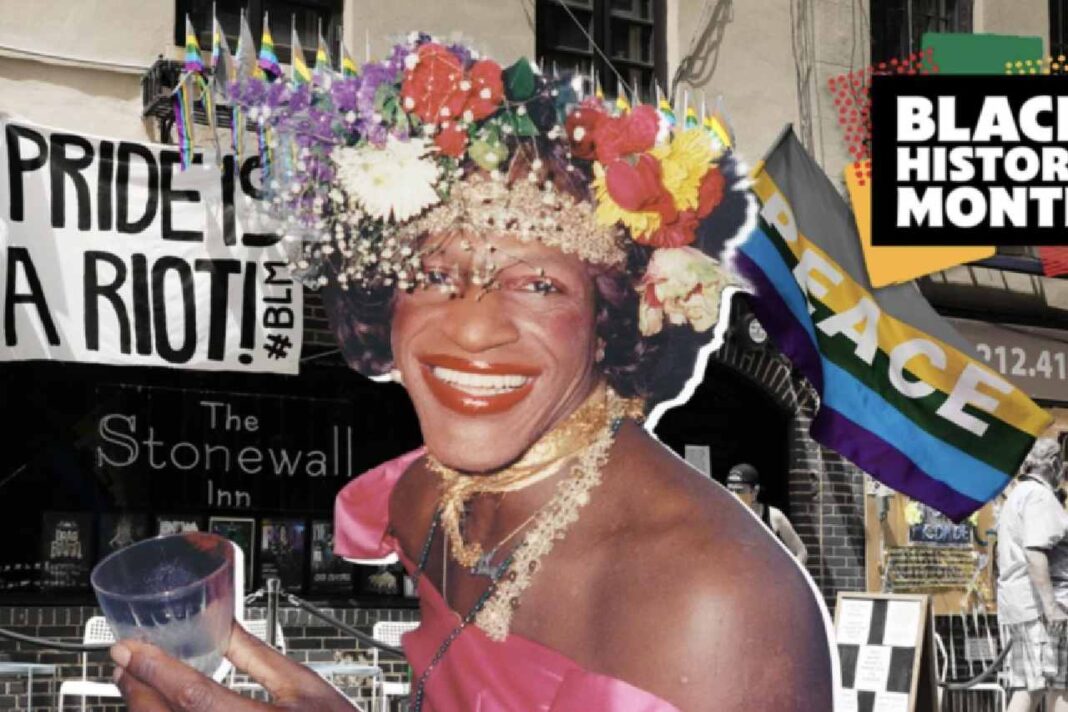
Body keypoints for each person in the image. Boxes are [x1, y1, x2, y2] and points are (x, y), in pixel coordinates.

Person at [109, 36, 834, 711]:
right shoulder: (427, 503)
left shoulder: (716, 596)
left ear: (612, 319)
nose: (474, 327)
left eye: (538, 284)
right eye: (432, 274)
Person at [997, 438, 1068, 712]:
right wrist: (1051, 607)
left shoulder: (1018, 493)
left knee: (1032, 685)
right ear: (1053, 463)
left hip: (1023, 605)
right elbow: (1035, 551)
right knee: (1056, 686)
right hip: (1044, 607)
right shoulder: (1040, 496)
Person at [726, 463, 808, 564]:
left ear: (754, 491)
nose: (734, 495)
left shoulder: (774, 516)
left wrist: (787, 577)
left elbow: (800, 552)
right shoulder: (725, 518)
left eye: (740, 490)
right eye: (730, 490)